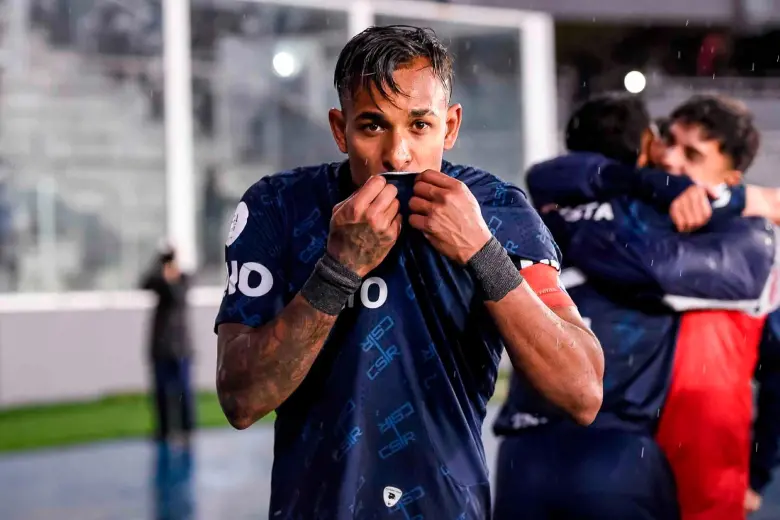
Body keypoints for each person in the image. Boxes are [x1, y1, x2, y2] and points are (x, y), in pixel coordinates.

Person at [214, 25, 603, 519]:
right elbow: (241, 399)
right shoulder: (278, 207)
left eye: (420, 125)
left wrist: (483, 253)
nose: (398, 154)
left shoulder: (499, 211)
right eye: (373, 125)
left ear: (451, 125)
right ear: (340, 128)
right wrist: (338, 269)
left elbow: (583, 391)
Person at [493, 92, 780, 520]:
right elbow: (548, 175)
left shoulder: (745, 243)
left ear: (730, 179)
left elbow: (658, 269)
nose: (670, 160)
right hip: (571, 448)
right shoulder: (626, 201)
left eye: (692, 155)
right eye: (668, 140)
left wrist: (757, 474)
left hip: (694, 466)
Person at [141, 244, 196, 446]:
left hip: (181, 347)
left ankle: (186, 430)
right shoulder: (158, 280)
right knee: (161, 393)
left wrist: (171, 275)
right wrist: (158, 266)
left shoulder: (184, 279)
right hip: (160, 348)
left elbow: (177, 295)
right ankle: (163, 431)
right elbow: (143, 283)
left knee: (183, 392)